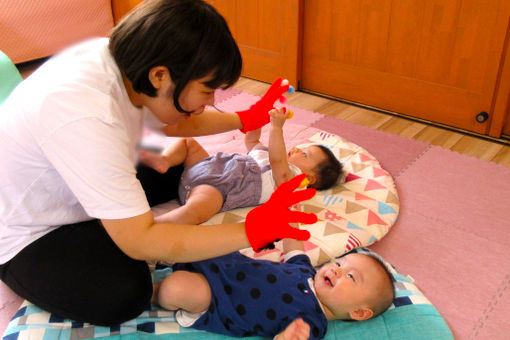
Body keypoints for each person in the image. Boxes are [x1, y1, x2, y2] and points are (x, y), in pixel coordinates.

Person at [0, 0, 318, 327]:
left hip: (72, 180)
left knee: (180, 169)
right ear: (159, 75)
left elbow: (172, 120)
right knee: (125, 292)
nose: (211, 103)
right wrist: (252, 229)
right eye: (208, 91)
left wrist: (244, 118)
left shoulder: (119, 61)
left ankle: (111, 226)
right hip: (27, 232)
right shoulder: (85, 115)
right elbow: (141, 240)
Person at [156, 237, 396, 339]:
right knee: (189, 239)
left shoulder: (311, 323)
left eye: (350, 276)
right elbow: (294, 246)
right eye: (339, 263)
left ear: (359, 312)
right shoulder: (306, 271)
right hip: (224, 261)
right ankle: (150, 253)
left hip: (217, 300)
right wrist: (291, 219)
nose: (336, 270)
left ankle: (149, 290)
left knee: (174, 288)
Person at [139, 107, 342, 224]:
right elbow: (252, 141)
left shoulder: (291, 181)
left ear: (311, 178)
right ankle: (164, 160)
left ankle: (159, 224)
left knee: (199, 208)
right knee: (188, 143)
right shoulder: (266, 154)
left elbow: (278, 161)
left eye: (305, 155)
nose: (296, 151)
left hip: (216, 189)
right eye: (299, 148)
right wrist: (259, 118)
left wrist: (277, 127)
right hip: (208, 165)